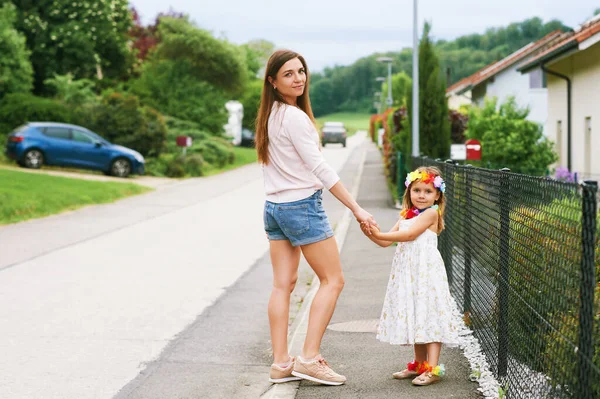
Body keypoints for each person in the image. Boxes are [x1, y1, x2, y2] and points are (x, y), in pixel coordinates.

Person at [255, 49, 377, 386]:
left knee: (283, 285)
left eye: (301, 72)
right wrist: (356, 207)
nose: (298, 79)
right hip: (300, 207)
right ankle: (308, 358)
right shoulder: (295, 118)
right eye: (288, 74)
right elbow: (320, 168)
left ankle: (282, 363)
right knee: (333, 280)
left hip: (275, 208)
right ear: (273, 82)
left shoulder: (271, 115)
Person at [360, 166, 460, 386]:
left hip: (426, 272)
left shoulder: (432, 213)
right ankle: (419, 364)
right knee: (417, 314)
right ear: (409, 192)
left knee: (430, 314)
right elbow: (387, 241)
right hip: (410, 273)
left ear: (437, 195)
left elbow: (409, 234)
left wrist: (379, 233)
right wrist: (371, 233)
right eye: (417, 190)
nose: (421, 195)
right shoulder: (407, 214)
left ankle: (433, 369)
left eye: (427, 191)